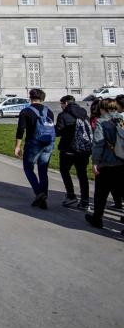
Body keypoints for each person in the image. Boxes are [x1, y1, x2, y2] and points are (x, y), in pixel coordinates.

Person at [85, 98, 124, 231]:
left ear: (102, 109)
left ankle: (97, 219)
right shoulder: (122, 120)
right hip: (122, 163)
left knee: (101, 194)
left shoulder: (101, 122)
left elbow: (98, 144)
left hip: (107, 163)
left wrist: (95, 162)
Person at [15, 88, 55, 209]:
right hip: (48, 143)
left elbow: (20, 130)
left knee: (28, 168)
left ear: (30, 98)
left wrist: (17, 146)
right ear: (43, 98)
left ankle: (39, 193)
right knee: (43, 170)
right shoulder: (49, 111)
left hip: (33, 143)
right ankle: (43, 199)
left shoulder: (26, 111)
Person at [55, 95, 91, 209]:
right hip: (83, 149)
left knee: (64, 171)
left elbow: (57, 132)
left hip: (68, 149)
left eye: (61, 104)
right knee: (82, 175)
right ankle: (85, 201)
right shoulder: (83, 113)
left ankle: (71, 195)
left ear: (65, 103)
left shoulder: (63, 115)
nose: (61, 106)